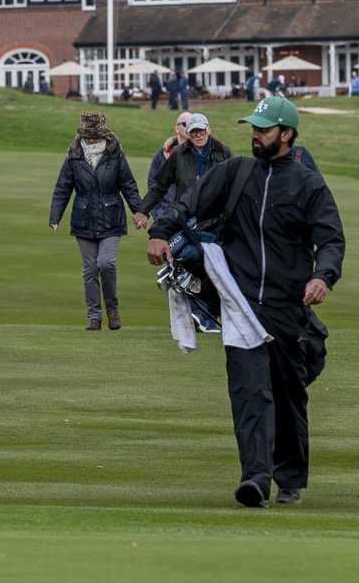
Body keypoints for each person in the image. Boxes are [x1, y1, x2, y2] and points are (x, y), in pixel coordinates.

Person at [146, 96, 344, 508]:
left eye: (263, 129)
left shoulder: (309, 184)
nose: (255, 135)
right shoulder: (236, 171)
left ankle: (289, 478)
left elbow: (330, 239)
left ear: (286, 134)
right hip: (239, 305)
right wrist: (160, 230)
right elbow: (189, 204)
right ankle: (255, 478)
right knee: (250, 392)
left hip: (288, 308)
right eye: (252, 128)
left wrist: (322, 276)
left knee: (287, 394)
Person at [135, 113, 231, 353]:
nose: (198, 135)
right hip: (185, 219)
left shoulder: (223, 153)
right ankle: (192, 304)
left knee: (215, 267)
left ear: (209, 129)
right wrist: (143, 211)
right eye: (193, 131)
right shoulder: (178, 154)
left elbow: (234, 186)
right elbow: (159, 186)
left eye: (201, 130)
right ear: (187, 132)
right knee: (183, 255)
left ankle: (206, 311)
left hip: (215, 221)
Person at [49, 111, 141, 331]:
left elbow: (128, 184)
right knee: (90, 269)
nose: (91, 140)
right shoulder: (74, 153)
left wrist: (139, 211)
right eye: (87, 136)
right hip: (83, 219)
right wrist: (55, 217)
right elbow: (63, 187)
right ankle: (94, 316)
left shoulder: (115, 152)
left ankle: (113, 311)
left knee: (106, 263)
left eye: (95, 136)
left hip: (111, 218)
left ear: (103, 134)